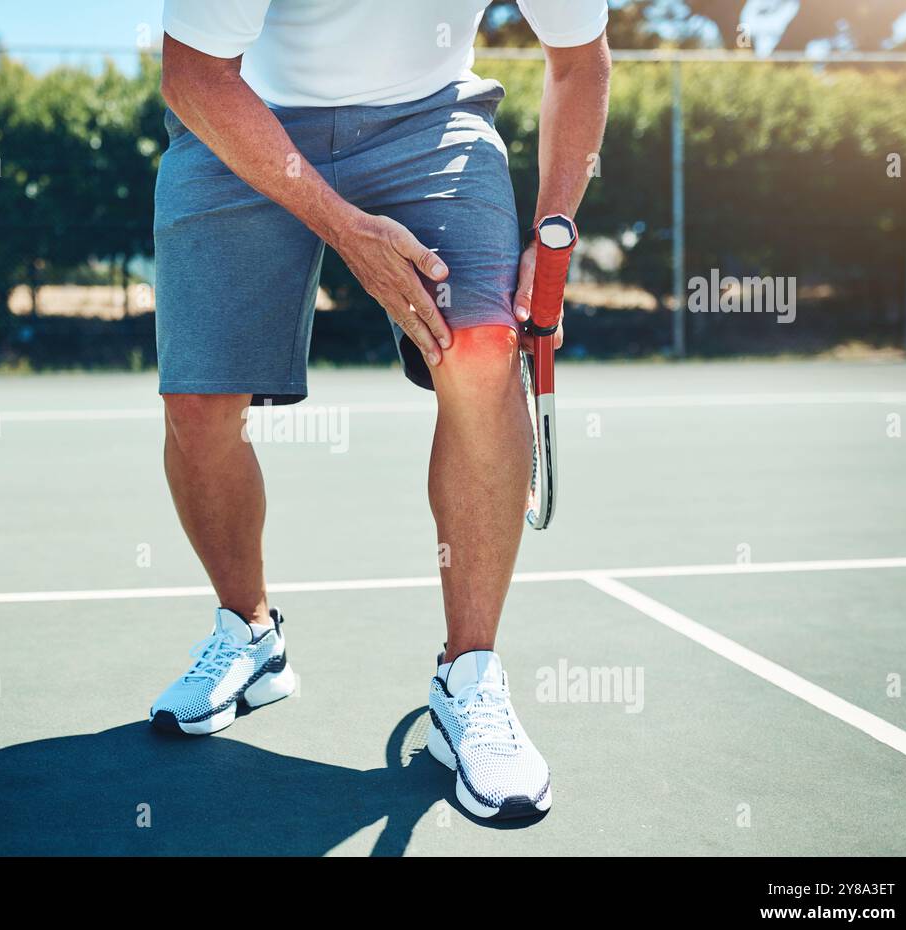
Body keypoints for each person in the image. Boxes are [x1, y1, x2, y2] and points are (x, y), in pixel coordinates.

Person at [148, 0, 611, 820]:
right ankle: (251, 634)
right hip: (242, 111)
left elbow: (579, 59)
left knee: (480, 350)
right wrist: (347, 230)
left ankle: (467, 677)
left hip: (431, 122)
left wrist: (554, 224)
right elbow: (191, 74)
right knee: (197, 401)